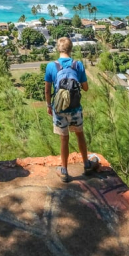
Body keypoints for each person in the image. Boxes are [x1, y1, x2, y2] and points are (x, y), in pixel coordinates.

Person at [45, 37, 99, 182]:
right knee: (80, 135)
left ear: (58, 48)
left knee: (64, 139)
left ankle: (64, 171)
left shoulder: (51, 66)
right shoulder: (78, 64)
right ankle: (87, 165)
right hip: (75, 108)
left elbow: (47, 89)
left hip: (59, 109)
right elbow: (86, 88)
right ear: (71, 48)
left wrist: (49, 106)